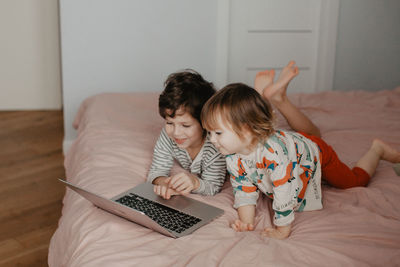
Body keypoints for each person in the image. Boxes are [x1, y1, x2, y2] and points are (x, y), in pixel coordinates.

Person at [201, 61, 400, 239]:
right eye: (209, 133)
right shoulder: (232, 155)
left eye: (217, 133)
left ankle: (377, 150)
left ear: (245, 131)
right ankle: (269, 99)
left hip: (314, 151)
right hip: (292, 145)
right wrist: (246, 221)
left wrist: (282, 229)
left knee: (353, 182)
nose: (212, 140)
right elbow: (244, 188)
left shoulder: (274, 156)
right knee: (295, 138)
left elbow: (285, 192)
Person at [147, 70, 227, 199]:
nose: (176, 133)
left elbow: (213, 186)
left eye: (186, 125)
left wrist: (195, 183)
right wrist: (164, 184)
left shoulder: (216, 145)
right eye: (169, 123)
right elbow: (157, 171)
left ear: (204, 123)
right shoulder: (168, 135)